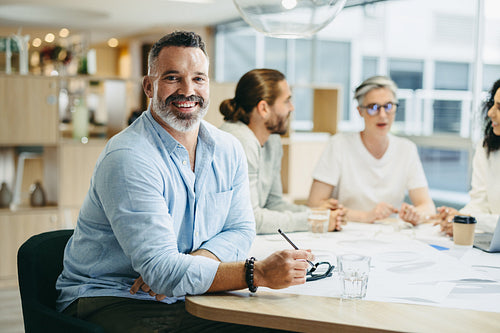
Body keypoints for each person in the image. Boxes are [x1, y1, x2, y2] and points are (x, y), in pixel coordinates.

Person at [55, 31, 312, 332]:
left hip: (183, 293)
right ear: (149, 87)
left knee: (279, 324)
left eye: (199, 79)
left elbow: (242, 229)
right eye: (173, 78)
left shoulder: (228, 149)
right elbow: (163, 274)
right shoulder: (129, 157)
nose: (188, 90)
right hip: (113, 297)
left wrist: (192, 261)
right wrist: (257, 274)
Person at [219, 68, 345, 234]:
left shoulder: (272, 139)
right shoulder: (240, 141)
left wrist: (317, 214)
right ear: (264, 108)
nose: (291, 108)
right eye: (286, 101)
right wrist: (312, 220)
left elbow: (274, 203)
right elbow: (251, 219)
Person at [308, 75, 436, 225]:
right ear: (360, 111)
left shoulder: (406, 149)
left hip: (389, 234)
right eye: (373, 108)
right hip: (346, 231)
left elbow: (427, 206)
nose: (382, 115)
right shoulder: (339, 145)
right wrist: (365, 216)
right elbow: (315, 204)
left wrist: (416, 215)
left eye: (388, 106)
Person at [435, 78, 500, 236]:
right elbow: (480, 203)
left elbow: (478, 217)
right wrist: (457, 219)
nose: (490, 112)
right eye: (493, 104)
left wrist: (469, 219)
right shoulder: (486, 148)